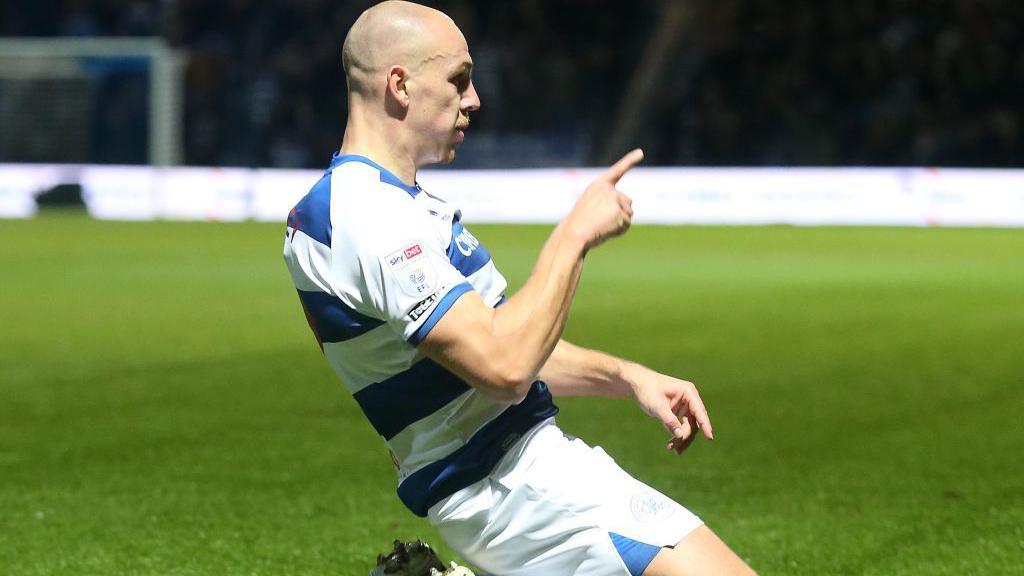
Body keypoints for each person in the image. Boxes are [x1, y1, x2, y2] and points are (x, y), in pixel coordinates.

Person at [282, 2, 756, 575]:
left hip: (507, 481)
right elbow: (504, 365)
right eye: (458, 79)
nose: (474, 98)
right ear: (400, 85)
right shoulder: (364, 214)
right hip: (512, 489)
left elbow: (499, 344)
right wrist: (574, 236)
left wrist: (627, 377)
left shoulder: (385, 207)